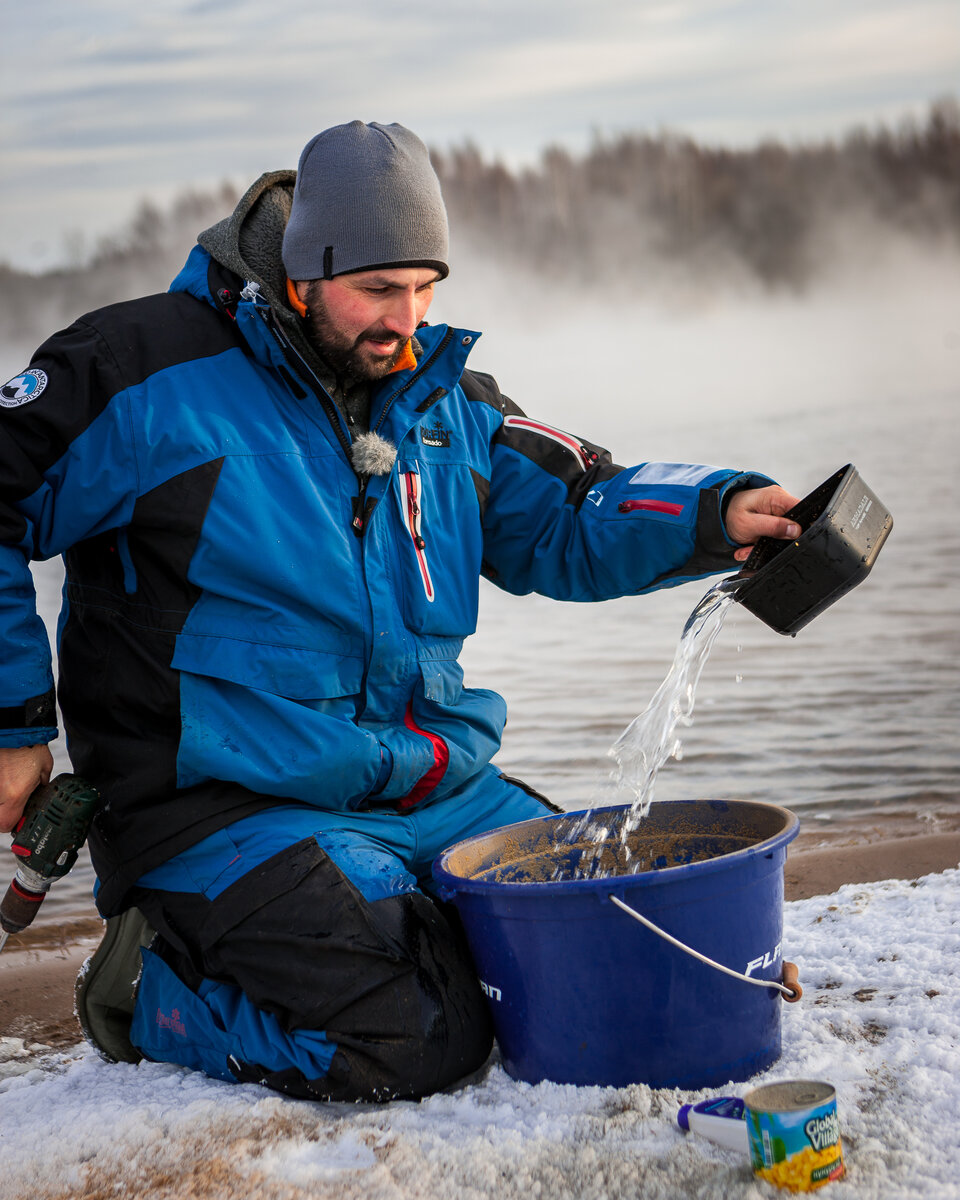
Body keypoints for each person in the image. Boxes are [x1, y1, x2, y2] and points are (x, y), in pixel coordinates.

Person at [0, 121, 800, 1101]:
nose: (406, 319)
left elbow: (573, 510)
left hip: (429, 788)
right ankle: (154, 990)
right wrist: (15, 726)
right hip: (227, 809)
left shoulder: (442, 399)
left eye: (425, 288)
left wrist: (718, 512)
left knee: (610, 938)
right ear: (303, 271)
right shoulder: (139, 370)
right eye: (379, 288)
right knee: (424, 1034)